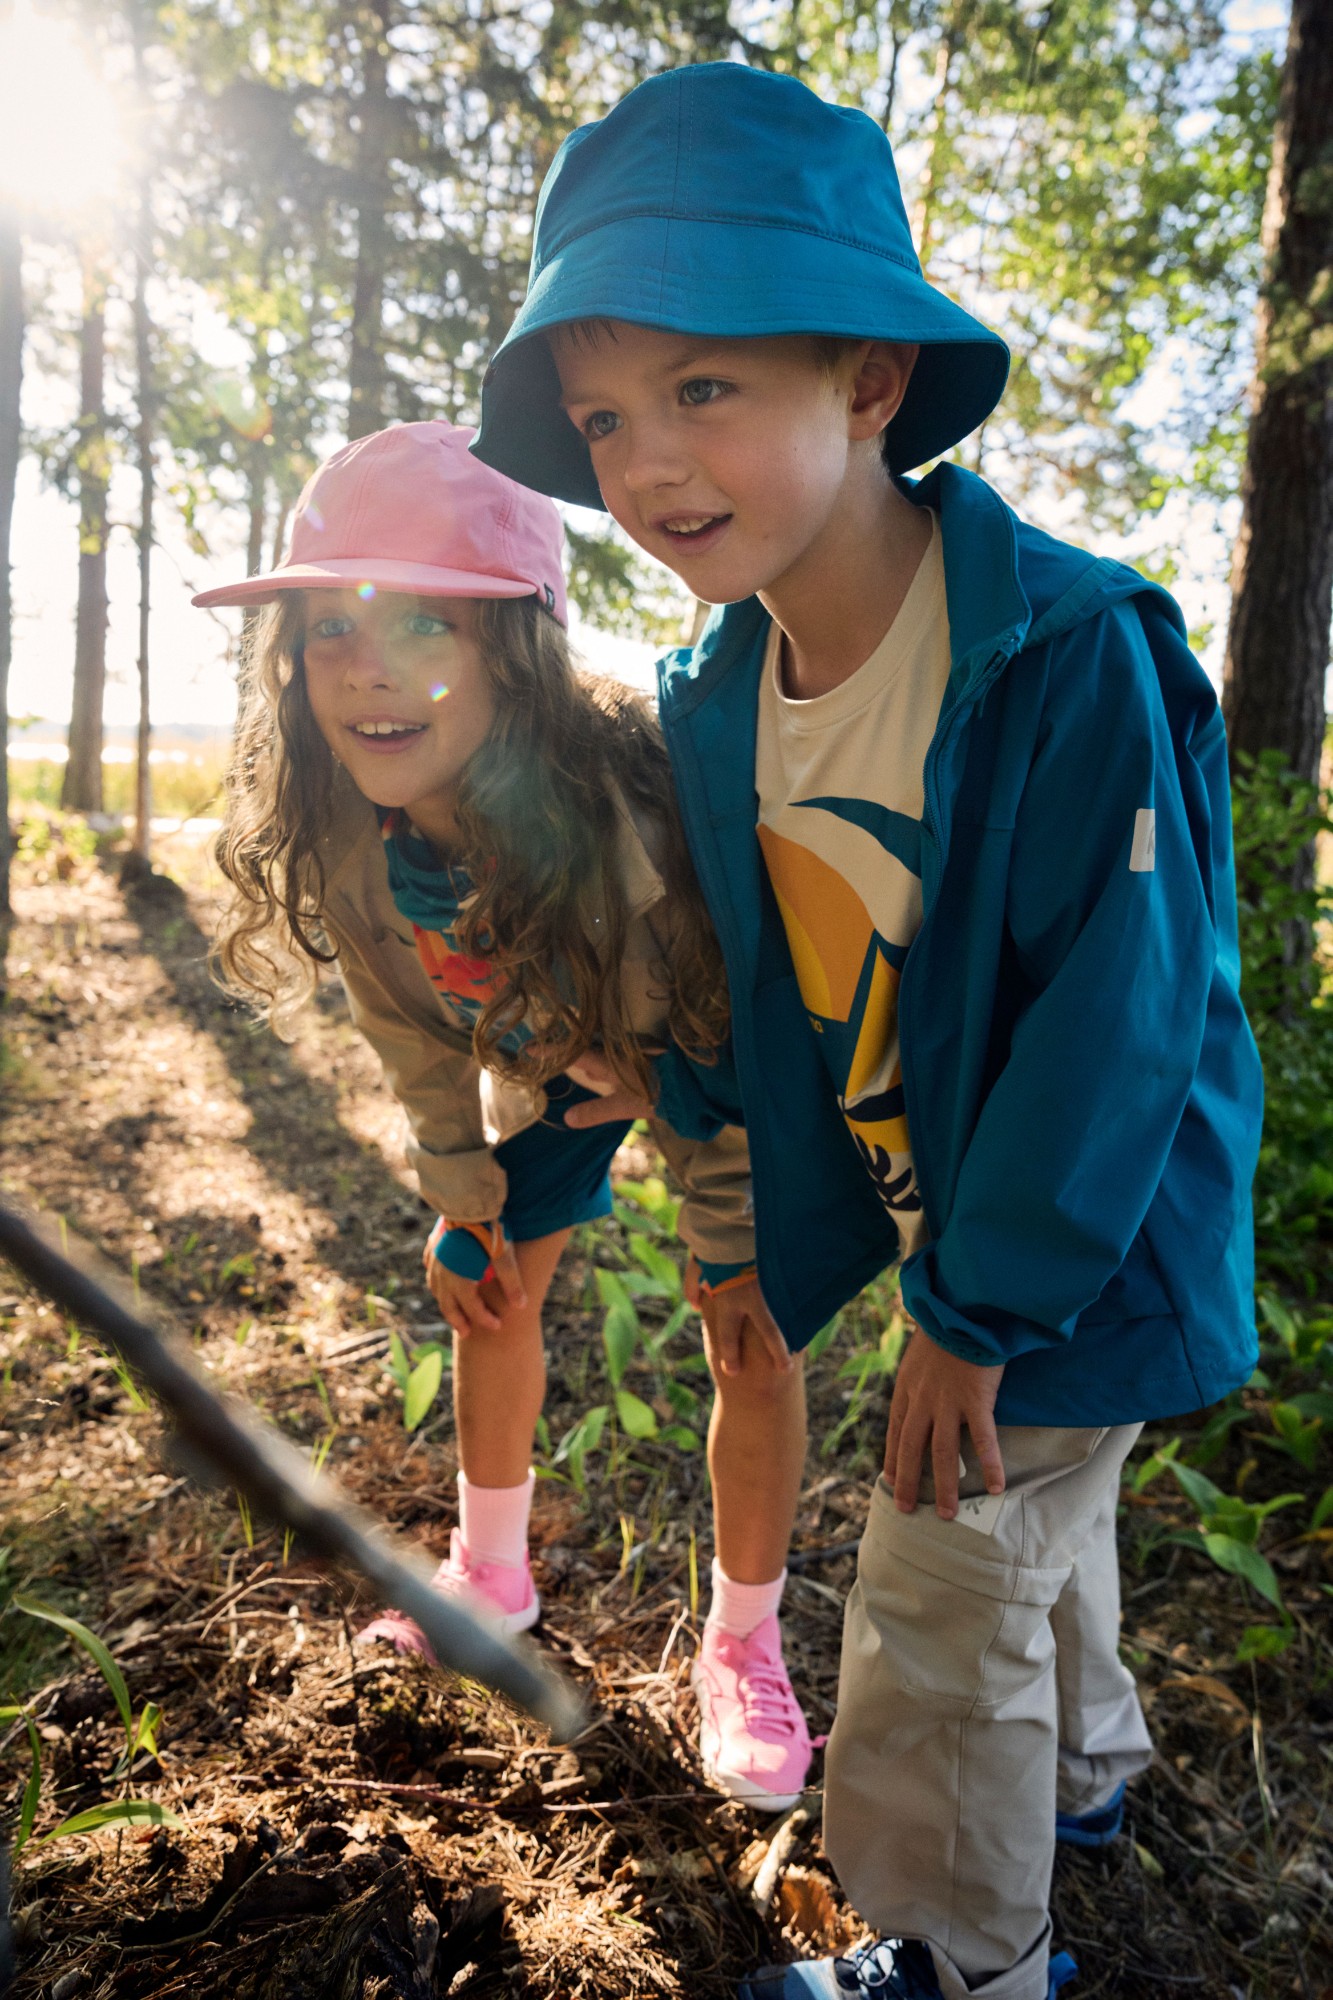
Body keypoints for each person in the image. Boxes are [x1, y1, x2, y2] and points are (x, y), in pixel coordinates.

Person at [470, 62, 1265, 2000]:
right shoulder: (723, 690)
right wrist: (669, 1088)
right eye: (602, 416)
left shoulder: (1061, 651)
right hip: (969, 1227)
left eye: (702, 387)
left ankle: (961, 1955)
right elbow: (775, 971)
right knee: (1038, 1528)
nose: (646, 465)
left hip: (1079, 1237)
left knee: (936, 1578)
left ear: (870, 381)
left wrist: (973, 1311)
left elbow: (1120, 1012)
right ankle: (1084, 1775)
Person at [197, 419, 814, 1812]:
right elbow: (409, 1025)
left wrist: (731, 1240)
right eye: (331, 630)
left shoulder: (638, 813)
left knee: (753, 1334)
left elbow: (724, 1030)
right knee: (485, 1290)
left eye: (426, 625)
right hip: (538, 1055)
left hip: (703, 1058)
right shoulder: (348, 827)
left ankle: (745, 1643)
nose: (368, 669)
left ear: (517, 656)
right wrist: (458, 1184)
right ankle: (489, 1573)